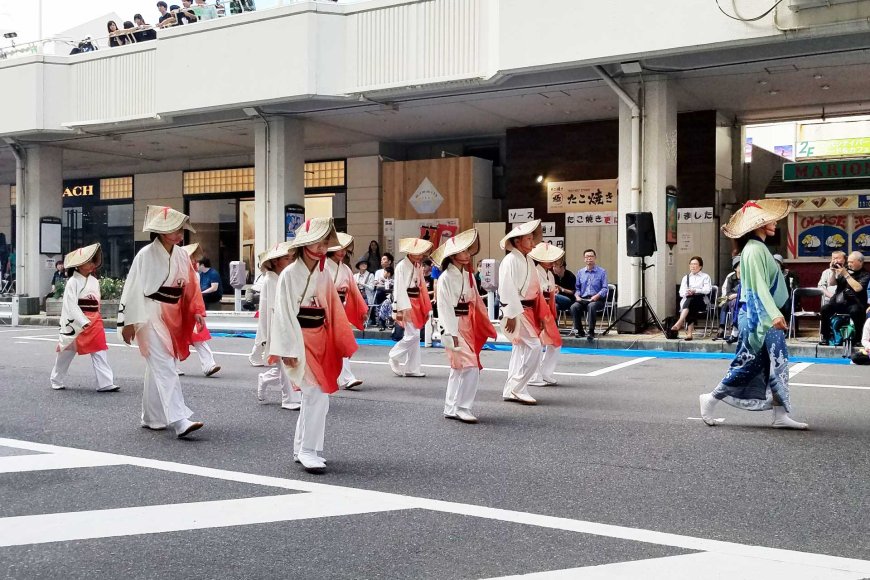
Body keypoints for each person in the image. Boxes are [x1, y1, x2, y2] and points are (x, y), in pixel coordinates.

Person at [699, 199, 808, 430]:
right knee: (752, 364)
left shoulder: (755, 248)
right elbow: (758, 287)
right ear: (759, 224)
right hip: (760, 316)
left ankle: (779, 414)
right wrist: (774, 315)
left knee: (772, 364)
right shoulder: (755, 250)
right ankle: (711, 398)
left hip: (760, 315)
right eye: (770, 219)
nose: (775, 222)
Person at [269, 217, 358, 472]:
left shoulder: (322, 273)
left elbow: (332, 308)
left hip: (320, 338)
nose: (321, 248)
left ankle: (302, 447)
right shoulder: (288, 274)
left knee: (316, 396)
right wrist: (286, 349)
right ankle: (308, 450)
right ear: (304, 244)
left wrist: (338, 339)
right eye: (316, 243)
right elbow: (284, 314)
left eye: (324, 243)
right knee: (316, 395)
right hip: (299, 340)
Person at [119, 205, 206, 439]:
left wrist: (197, 309)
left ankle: (152, 417)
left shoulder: (181, 255)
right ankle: (179, 420)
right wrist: (127, 322)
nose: (180, 234)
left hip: (172, 314)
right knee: (166, 365)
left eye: (180, 230)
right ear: (161, 231)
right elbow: (133, 289)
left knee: (157, 366)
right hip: (148, 312)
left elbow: (190, 286)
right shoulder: (145, 255)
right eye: (175, 230)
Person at [432, 229, 496, 423]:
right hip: (454, 323)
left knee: (459, 368)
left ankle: (450, 406)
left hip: (468, 322)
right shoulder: (445, 278)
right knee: (470, 366)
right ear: (453, 256)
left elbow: (476, 301)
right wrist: (449, 333)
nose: (468, 254)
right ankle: (462, 407)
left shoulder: (468, 275)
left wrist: (483, 323)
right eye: (464, 251)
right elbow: (443, 308)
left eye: (468, 251)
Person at [50, 244, 119, 393]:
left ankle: (105, 382)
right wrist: (83, 321)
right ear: (79, 266)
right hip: (76, 322)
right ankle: (56, 379)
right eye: (88, 261)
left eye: (92, 261)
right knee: (66, 352)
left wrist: (96, 318)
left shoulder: (94, 281)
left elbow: (97, 302)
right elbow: (70, 305)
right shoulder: (72, 282)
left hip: (94, 320)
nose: (92, 264)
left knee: (99, 350)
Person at [499, 219, 548, 405]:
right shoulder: (510, 260)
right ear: (518, 241)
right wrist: (509, 314)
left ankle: (511, 389)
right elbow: (505, 288)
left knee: (520, 349)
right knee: (535, 346)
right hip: (517, 311)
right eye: (529, 239)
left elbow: (537, 291)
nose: (533, 242)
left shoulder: (528, 260)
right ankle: (518, 387)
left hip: (527, 310)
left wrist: (541, 314)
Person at [255, 242, 301, 410]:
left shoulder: (287, 276)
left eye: (291, 258)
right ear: (275, 261)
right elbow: (267, 309)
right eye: (286, 258)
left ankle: (265, 379)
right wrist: (267, 333)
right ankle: (289, 398)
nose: (290, 261)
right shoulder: (270, 280)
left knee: (288, 362)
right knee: (285, 362)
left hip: (289, 322)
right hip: (277, 324)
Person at [326, 233, 368, 390]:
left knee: (342, 341)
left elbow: (354, 291)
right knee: (331, 344)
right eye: (339, 248)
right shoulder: (321, 267)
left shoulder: (345, 269)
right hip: (326, 306)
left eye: (344, 249)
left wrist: (362, 309)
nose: (342, 252)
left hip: (340, 307)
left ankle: (345, 377)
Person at [388, 239, 433, 377]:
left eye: (420, 253)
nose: (420, 256)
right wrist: (401, 307)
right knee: (413, 334)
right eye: (417, 253)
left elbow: (422, 287)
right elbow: (399, 288)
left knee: (414, 335)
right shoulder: (401, 266)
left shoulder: (417, 265)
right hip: (406, 302)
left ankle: (412, 368)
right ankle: (394, 355)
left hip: (416, 301)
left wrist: (425, 304)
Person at [180, 244, 221, 377]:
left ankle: (209, 365)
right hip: (177, 310)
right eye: (191, 257)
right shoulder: (179, 272)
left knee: (198, 337)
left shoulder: (195, 274)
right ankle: (171, 366)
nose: (194, 260)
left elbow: (195, 294)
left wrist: (196, 310)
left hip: (190, 310)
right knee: (173, 339)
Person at [529, 242, 565, 387]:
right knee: (537, 344)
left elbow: (550, 294)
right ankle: (534, 375)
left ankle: (545, 373)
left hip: (547, 310)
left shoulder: (549, 273)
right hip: (536, 310)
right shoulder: (534, 271)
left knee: (555, 343)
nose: (551, 261)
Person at [820, 251, 869, 345]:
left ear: (860, 262)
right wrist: (833, 272)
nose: (849, 264)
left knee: (856, 311)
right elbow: (832, 283)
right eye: (848, 262)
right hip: (839, 301)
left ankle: (857, 339)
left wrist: (846, 274)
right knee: (825, 309)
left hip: (854, 302)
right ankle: (825, 337)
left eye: (852, 262)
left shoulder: (865, 274)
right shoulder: (845, 269)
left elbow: (857, 288)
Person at [570, 249, 608, 341]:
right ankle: (580, 330)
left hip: (597, 300)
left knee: (591, 306)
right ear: (584, 259)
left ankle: (591, 331)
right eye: (587, 257)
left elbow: (605, 288)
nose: (589, 258)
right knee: (574, 307)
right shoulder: (580, 272)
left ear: (595, 258)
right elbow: (577, 288)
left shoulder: (602, 272)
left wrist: (597, 296)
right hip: (583, 299)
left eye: (591, 256)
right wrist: (577, 296)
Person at [671, 256, 712, 341]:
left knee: (691, 301)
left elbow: (707, 290)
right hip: (689, 300)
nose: (693, 266)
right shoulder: (686, 278)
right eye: (691, 264)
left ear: (700, 266)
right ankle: (689, 334)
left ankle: (680, 322)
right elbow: (681, 293)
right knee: (691, 302)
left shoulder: (705, 276)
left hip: (701, 300)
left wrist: (695, 290)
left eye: (695, 264)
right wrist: (687, 292)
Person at [715, 255, 741, 341]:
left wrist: (737, 296)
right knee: (723, 303)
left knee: (734, 303)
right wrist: (730, 296)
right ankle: (722, 327)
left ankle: (734, 328)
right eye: (739, 266)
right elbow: (728, 291)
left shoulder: (747, 278)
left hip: (741, 299)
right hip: (730, 297)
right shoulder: (731, 277)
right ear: (735, 268)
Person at [773, 254, 799, 321]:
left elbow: (796, 287)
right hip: (773, 296)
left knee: (787, 305)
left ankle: (787, 325)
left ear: (781, 264)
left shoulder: (789, 273)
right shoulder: (770, 274)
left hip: (786, 296)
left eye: (777, 262)